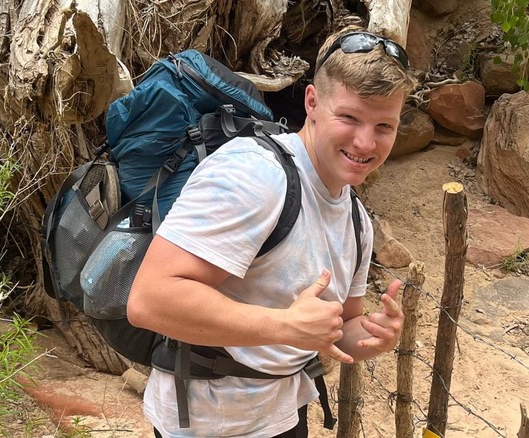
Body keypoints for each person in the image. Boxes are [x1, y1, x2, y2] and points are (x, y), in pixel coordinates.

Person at [127, 26, 417, 437]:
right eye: (349, 117)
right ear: (312, 102)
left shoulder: (355, 216)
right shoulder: (254, 174)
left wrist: (370, 335)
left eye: (384, 126)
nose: (365, 141)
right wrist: (285, 327)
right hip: (208, 422)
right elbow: (150, 299)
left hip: (282, 411)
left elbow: (339, 325)